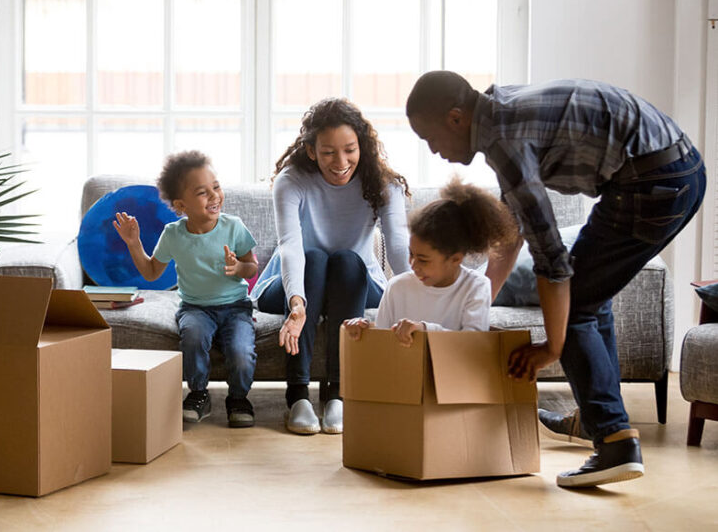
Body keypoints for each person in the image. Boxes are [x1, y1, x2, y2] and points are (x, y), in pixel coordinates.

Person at [405, 71, 706, 488]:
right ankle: (600, 418)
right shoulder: (498, 109)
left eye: (430, 138)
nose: (434, 151)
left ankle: (615, 441)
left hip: (655, 181)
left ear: (456, 118)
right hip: (672, 169)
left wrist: (552, 347)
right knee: (590, 294)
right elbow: (512, 232)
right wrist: (473, 306)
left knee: (578, 298)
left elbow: (552, 260)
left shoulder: (502, 141)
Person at [251, 97, 411, 435]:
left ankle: (338, 395)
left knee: (346, 260)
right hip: (290, 283)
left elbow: (398, 245)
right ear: (311, 150)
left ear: (362, 146)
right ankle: (298, 398)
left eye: (349, 150)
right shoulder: (291, 181)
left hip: (354, 281)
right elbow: (291, 247)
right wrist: (296, 304)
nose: (340, 162)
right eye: (328, 152)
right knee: (315, 259)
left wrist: (416, 297)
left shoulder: (384, 184)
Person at [113, 150, 259, 428]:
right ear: (181, 205)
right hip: (195, 307)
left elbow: (251, 266)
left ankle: (239, 398)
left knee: (241, 351)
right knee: (192, 337)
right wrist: (134, 243)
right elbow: (152, 272)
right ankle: (199, 395)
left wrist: (239, 269)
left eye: (216, 187)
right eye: (203, 192)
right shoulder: (173, 234)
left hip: (236, 307)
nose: (215, 196)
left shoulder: (234, 227)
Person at [344, 178, 518, 343]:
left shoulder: (476, 287)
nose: (413, 265)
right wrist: (364, 330)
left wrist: (425, 330)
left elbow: (472, 343)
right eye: (411, 254)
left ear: (455, 258)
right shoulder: (397, 287)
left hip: (453, 374)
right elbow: (382, 341)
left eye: (423, 260)